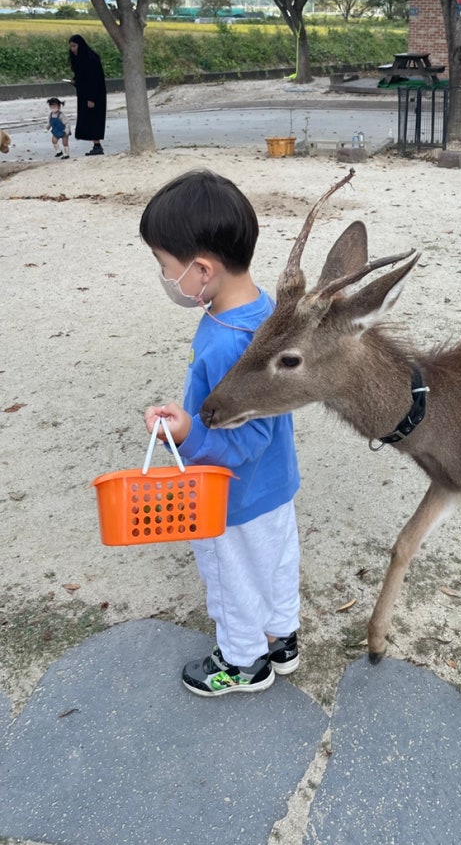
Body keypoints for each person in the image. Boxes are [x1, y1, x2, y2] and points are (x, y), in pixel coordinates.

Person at [140, 169, 301, 697]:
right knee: (275, 562)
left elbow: (244, 441)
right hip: (275, 486)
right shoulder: (266, 314)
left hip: (228, 494)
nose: (165, 278)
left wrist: (186, 434)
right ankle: (281, 638)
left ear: (202, 269)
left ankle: (242, 662)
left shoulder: (230, 343)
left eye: (166, 267)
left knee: (231, 576)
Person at [68, 34, 106, 156]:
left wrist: (91, 98)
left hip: (93, 95)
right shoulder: (80, 59)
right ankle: (96, 145)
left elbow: (94, 80)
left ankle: (97, 145)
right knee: (88, 119)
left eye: (74, 46)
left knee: (93, 119)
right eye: (71, 47)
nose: (72, 49)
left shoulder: (90, 59)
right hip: (84, 95)